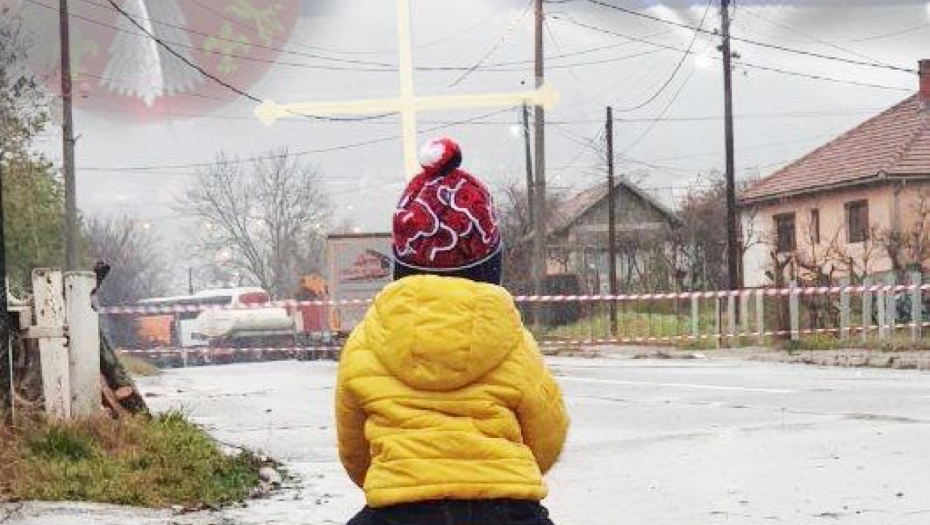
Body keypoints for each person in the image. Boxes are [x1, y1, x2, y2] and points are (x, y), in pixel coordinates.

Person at [336, 137, 569, 525]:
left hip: (398, 512)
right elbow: (547, 434)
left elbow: (355, 449)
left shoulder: (366, 342)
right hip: (507, 511)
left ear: (401, 263)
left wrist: (400, 484)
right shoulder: (514, 343)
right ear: (490, 263)